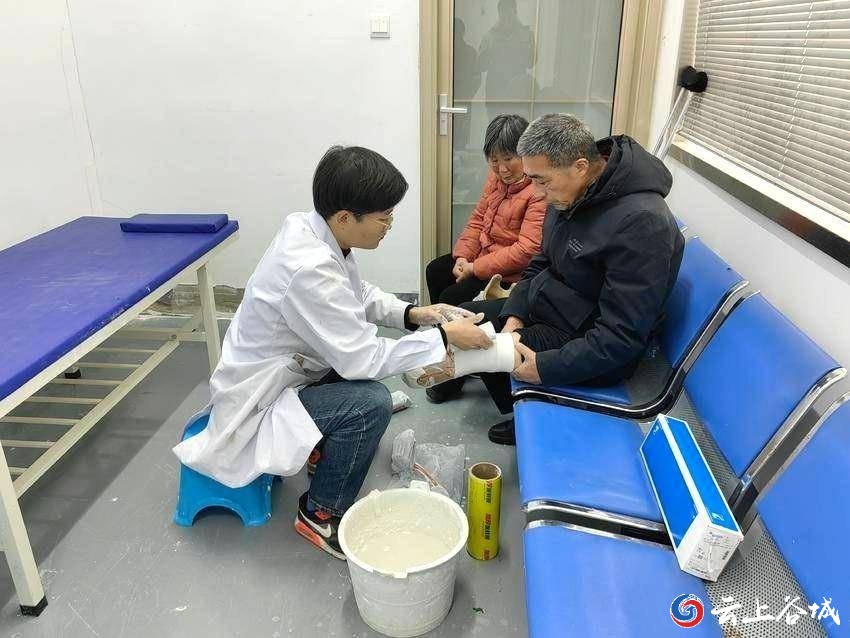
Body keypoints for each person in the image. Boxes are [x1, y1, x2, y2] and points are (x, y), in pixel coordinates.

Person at [173, 146, 497, 560]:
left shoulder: (316, 231)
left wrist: (415, 313)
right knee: (370, 403)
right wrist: (445, 338)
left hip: (289, 368)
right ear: (345, 217)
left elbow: (354, 294)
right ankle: (321, 512)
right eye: (384, 217)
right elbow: (363, 360)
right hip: (258, 399)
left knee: (352, 373)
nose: (389, 225)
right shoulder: (307, 265)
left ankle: (321, 449)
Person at [428, 114, 685, 445]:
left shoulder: (643, 223)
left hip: (590, 338)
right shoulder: (570, 191)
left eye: (542, 182)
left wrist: (545, 367)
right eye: (532, 180)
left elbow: (620, 337)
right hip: (556, 308)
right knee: (468, 320)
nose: (538, 193)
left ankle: (535, 411)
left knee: (488, 348)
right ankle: (519, 404)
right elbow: (541, 260)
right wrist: (514, 314)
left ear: (580, 166)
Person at [425, 114, 546, 324]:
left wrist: (475, 268)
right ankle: (443, 334)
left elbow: (527, 250)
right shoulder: (495, 178)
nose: (502, 169)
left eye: (508, 158)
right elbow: (478, 219)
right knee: (436, 270)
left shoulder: (538, 189)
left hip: (511, 274)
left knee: (451, 298)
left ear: (526, 153)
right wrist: (463, 257)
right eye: (494, 160)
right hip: (484, 256)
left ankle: (456, 336)